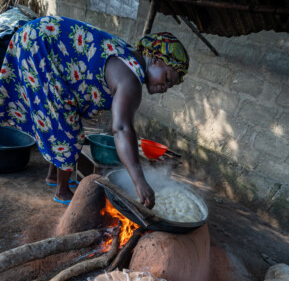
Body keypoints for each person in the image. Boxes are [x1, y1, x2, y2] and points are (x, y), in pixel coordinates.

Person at [0, 16, 189, 207]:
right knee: (67, 131)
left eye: (169, 86)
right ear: (156, 60)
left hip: (36, 37)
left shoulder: (129, 58)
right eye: (166, 78)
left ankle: (53, 176)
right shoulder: (131, 79)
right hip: (40, 45)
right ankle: (62, 191)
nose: (164, 87)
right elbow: (122, 128)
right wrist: (139, 181)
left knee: (64, 120)